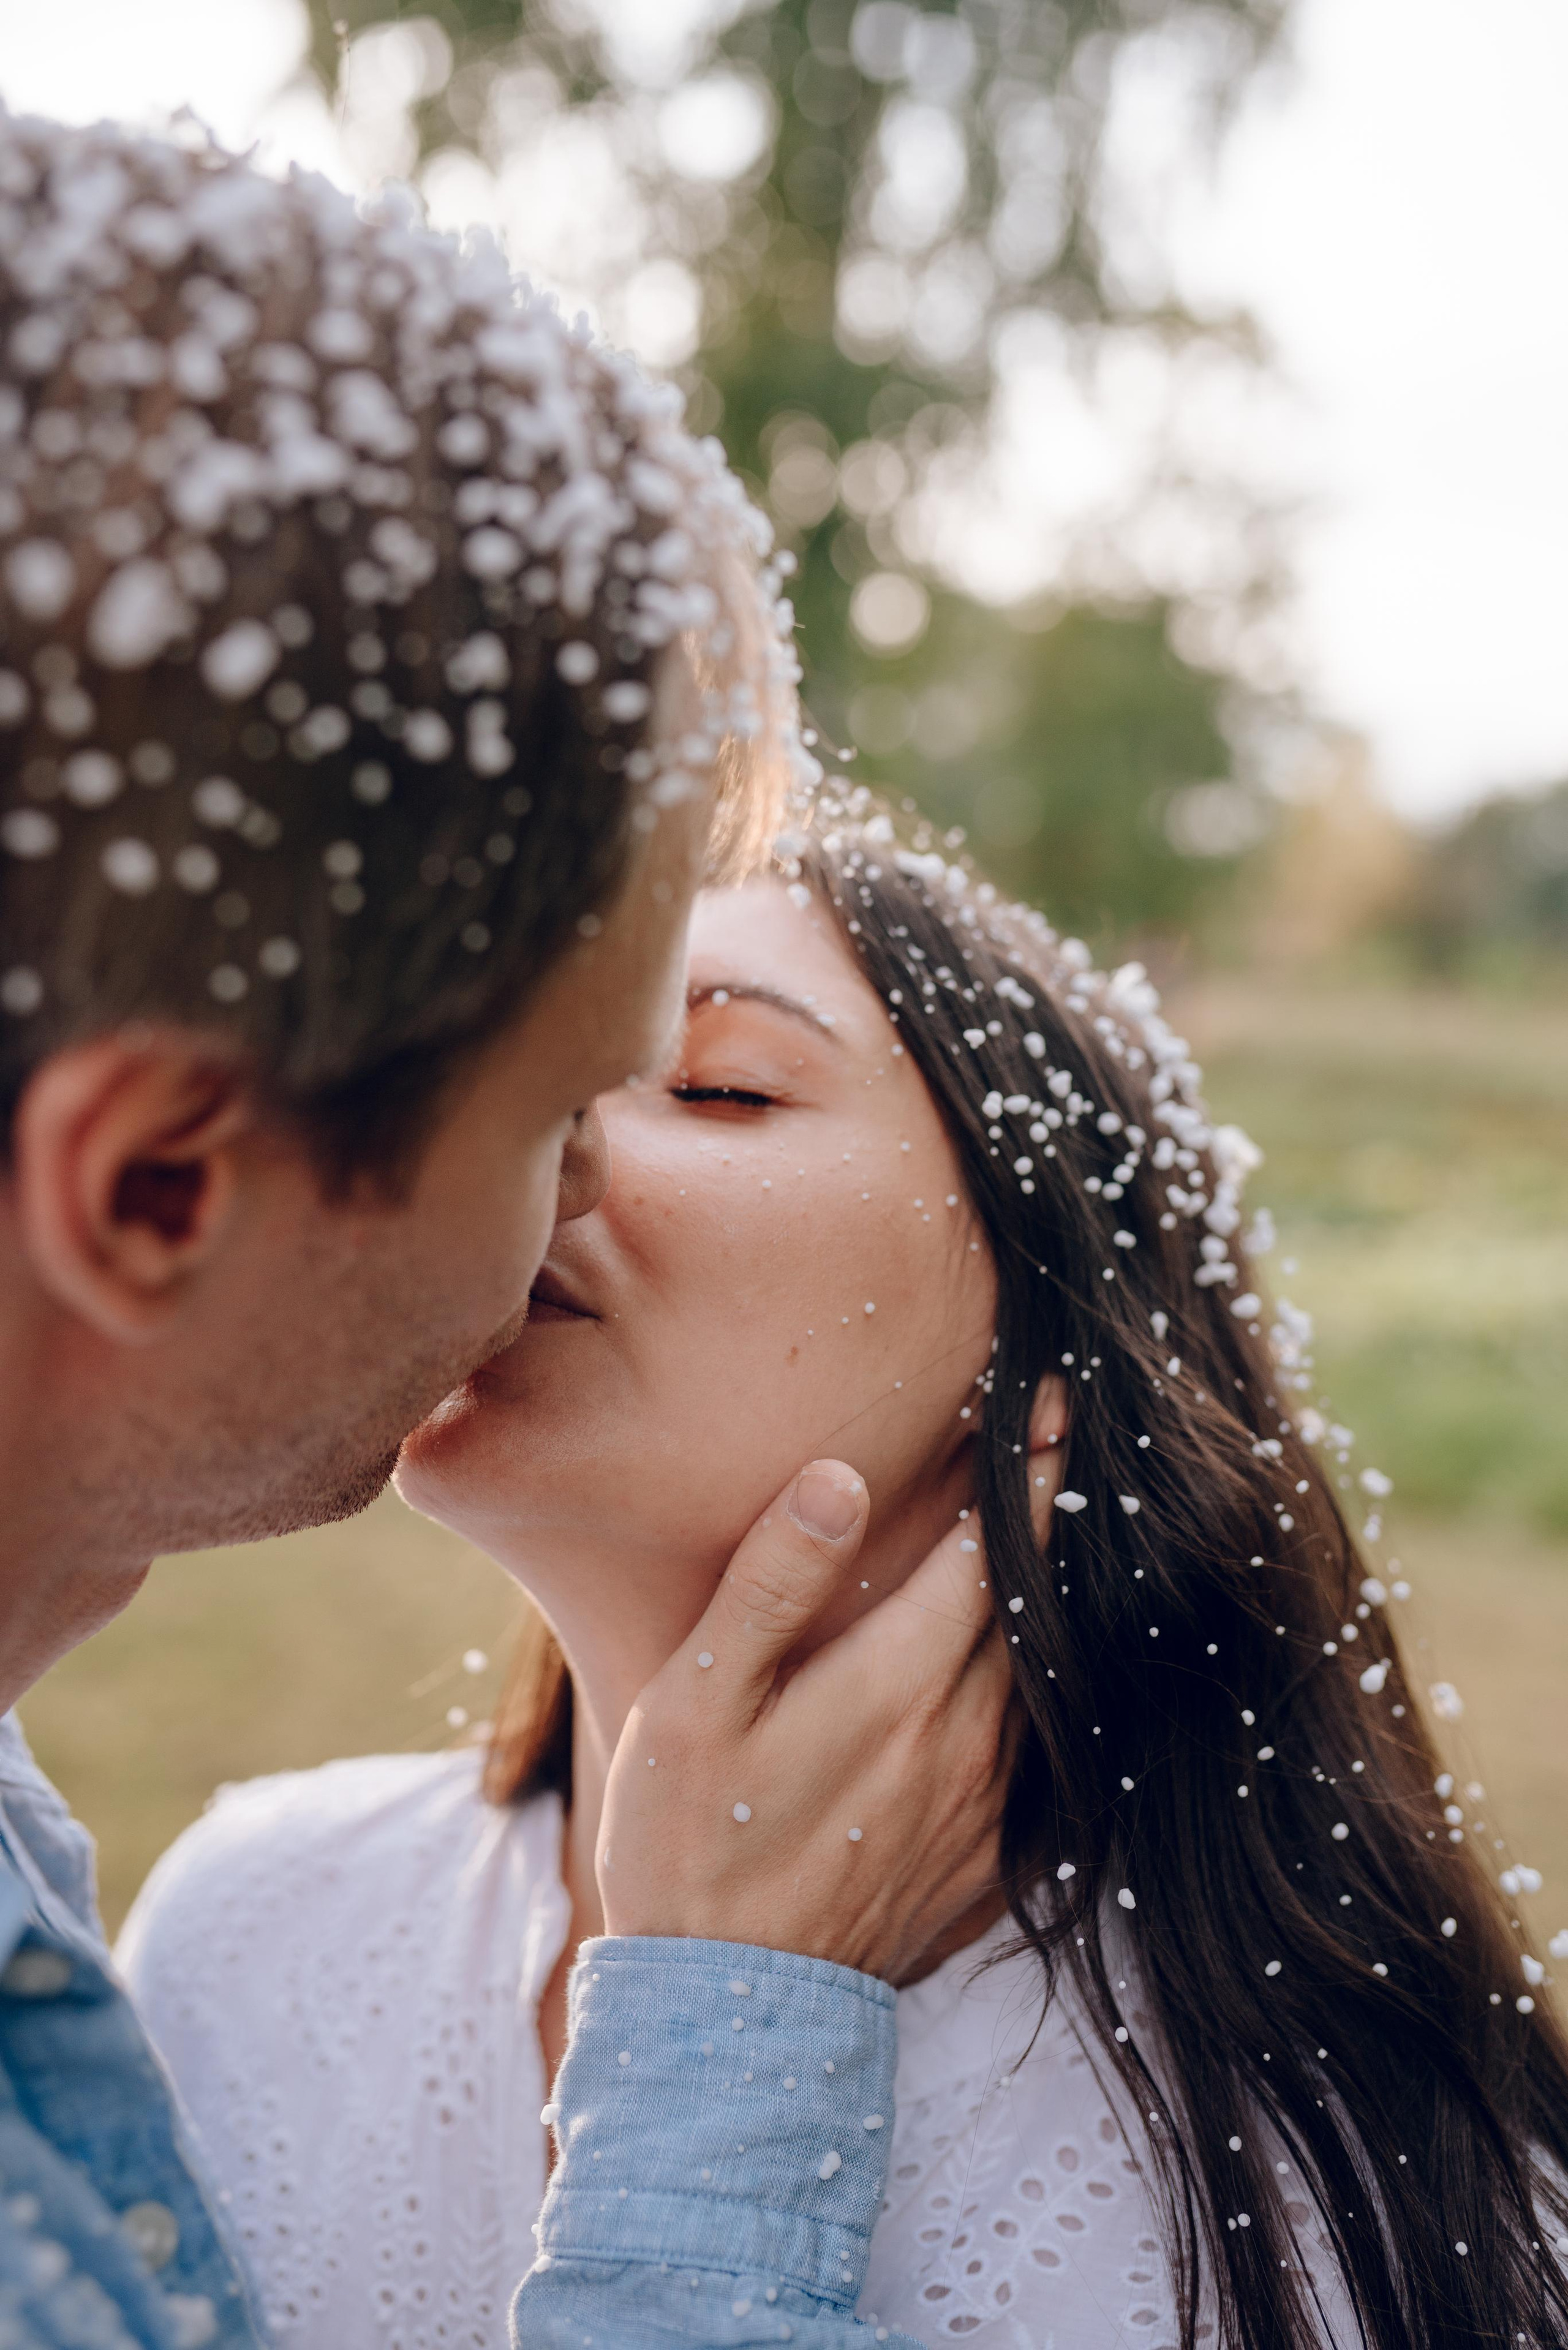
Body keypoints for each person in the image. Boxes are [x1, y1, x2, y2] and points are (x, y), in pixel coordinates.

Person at [0, 108, 1015, 2350]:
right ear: (155, 1183)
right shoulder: (254, 1934)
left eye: (719, 1083)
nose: (591, 1184)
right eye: (560, 1101)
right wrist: (723, 2111)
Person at [119, 804, 1568, 2349]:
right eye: (525, 1063)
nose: (540, 1137)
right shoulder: (246, 1930)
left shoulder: (1326, 2215)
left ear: (1052, 1337)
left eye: (717, 1082)